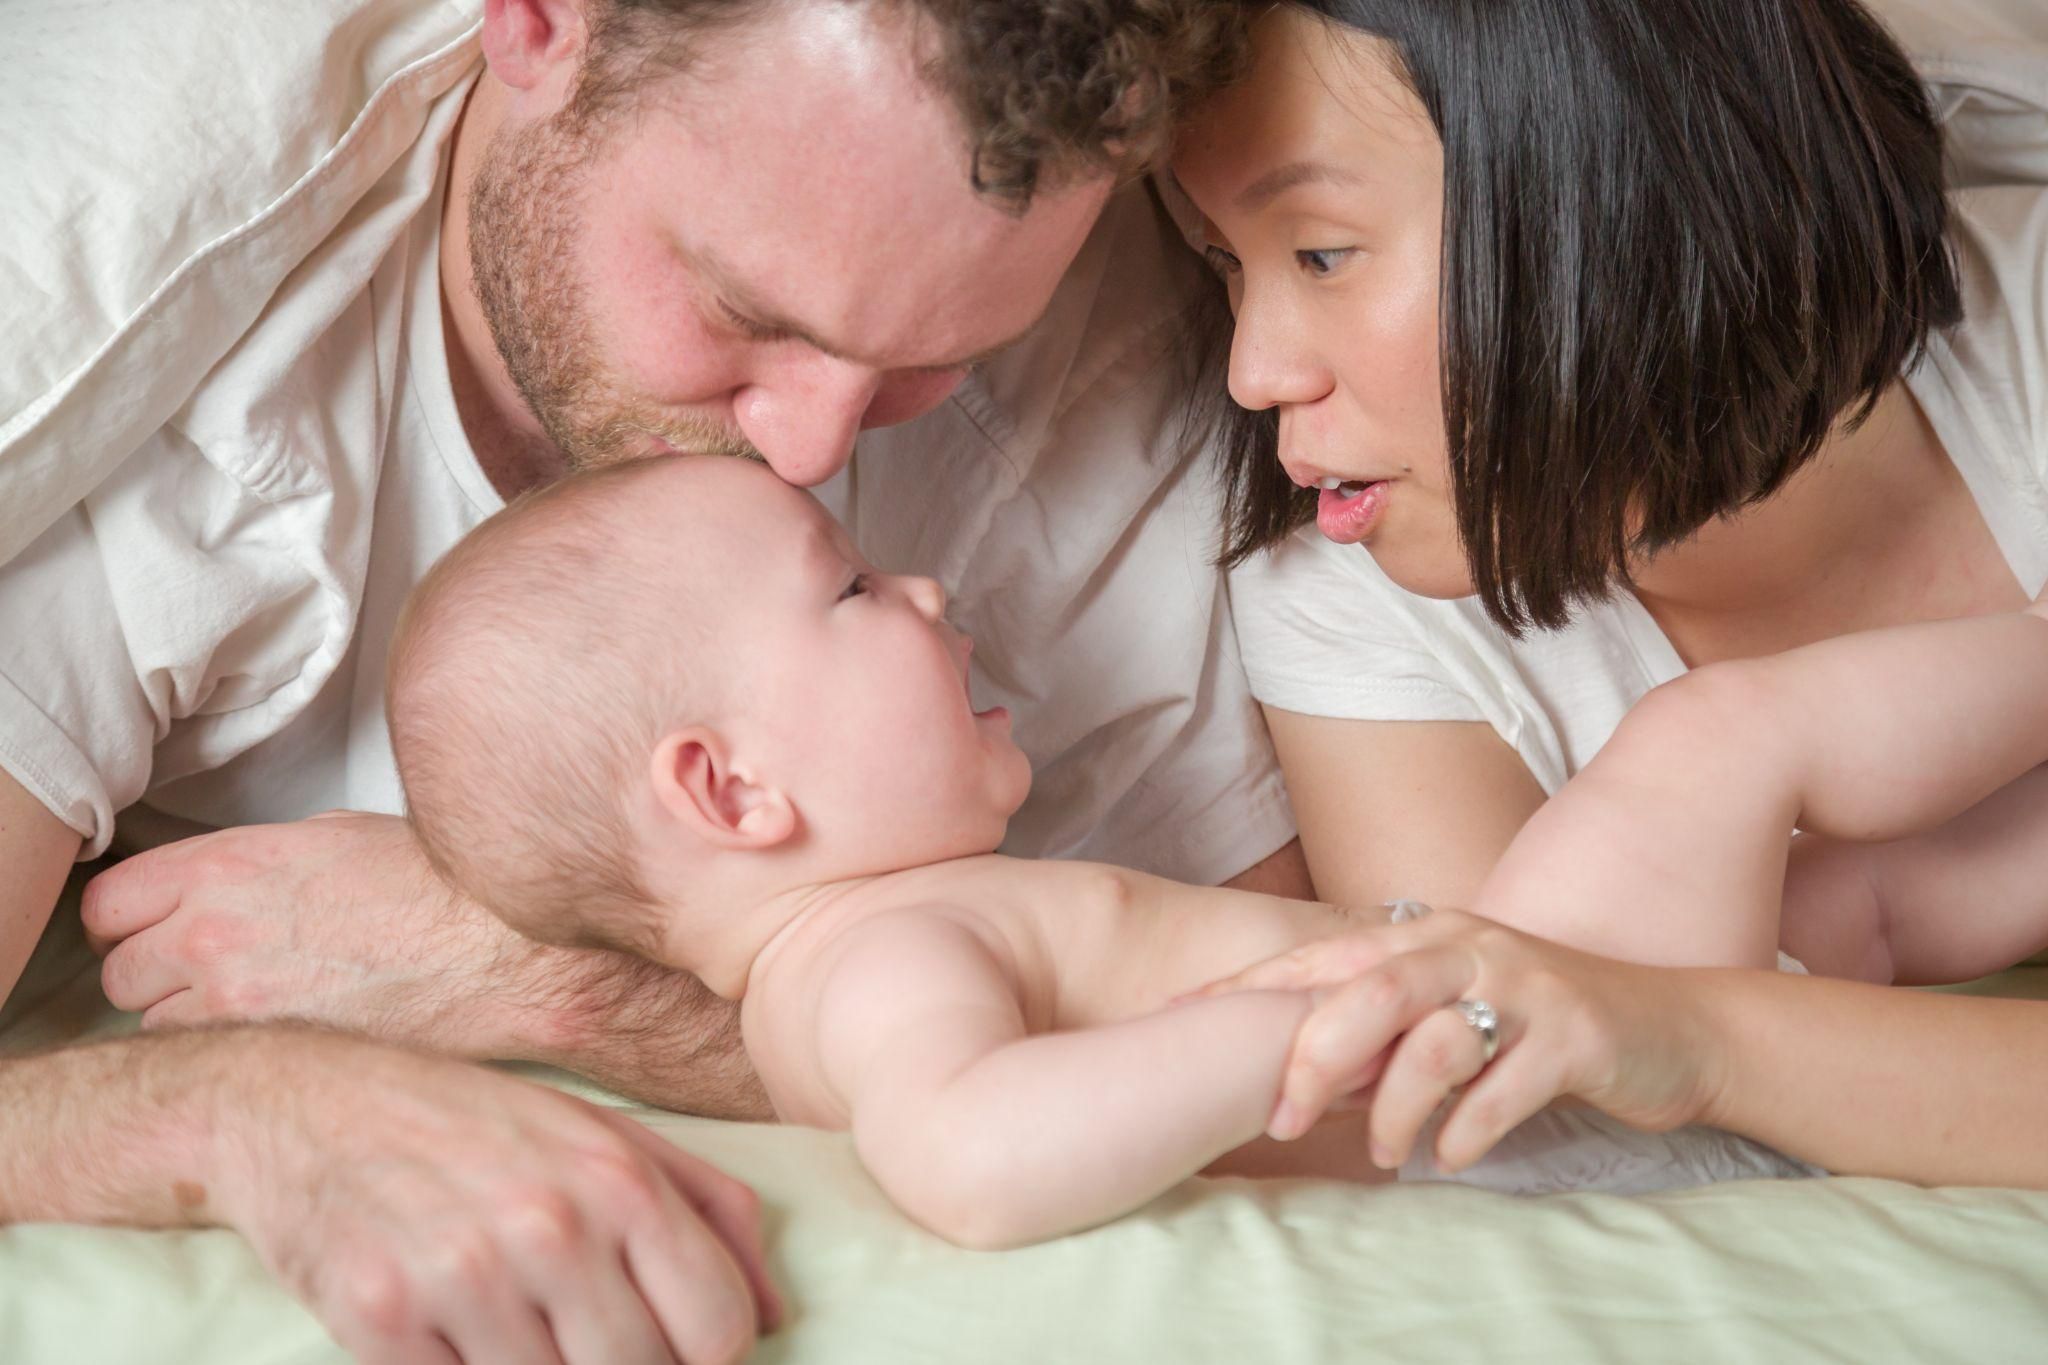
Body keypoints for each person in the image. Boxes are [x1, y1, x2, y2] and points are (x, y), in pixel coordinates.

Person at [1, 2, 1300, 1359]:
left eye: (933, 363)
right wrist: (250, 1116)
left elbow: (1302, 1053)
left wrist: (528, 970)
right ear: (544, 25)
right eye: (743, 313)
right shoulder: (136, 348)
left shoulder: (1091, 350)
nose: (810, 451)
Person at [388, 454, 1841, 1245]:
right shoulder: (879, 960)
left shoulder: (867, 945)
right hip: (1529, 1088)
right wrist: (1320, 1023)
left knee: (1861, 901)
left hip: (1541, 1044)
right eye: (847, 587)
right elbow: (965, 1155)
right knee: (1714, 745)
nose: (922, 583)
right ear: (731, 789)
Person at [1169, 0, 2048, 1184]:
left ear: (1628, 189)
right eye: (1228, 262)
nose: (1254, 369)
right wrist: (1737, 760)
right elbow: (1536, 1116)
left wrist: (1745, 746)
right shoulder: (1351, 606)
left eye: (1320, 251)